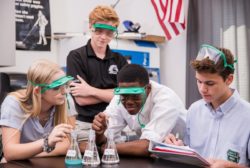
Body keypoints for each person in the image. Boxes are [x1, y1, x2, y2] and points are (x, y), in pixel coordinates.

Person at [164, 44, 250, 167]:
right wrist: (179, 149)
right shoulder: (194, 110)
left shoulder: (247, 117)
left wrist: (232, 167)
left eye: (210, 83)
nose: (202, 89)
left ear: (229, 79)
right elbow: (192, 155)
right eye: (199, 81)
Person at [92, 64, 187, 156]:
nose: (129, 101)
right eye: (124, 95)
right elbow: (106, 139)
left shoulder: (166, 99)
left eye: (135, 95)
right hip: (156, 155)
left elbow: (147, 147)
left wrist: (104, 149)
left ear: (148, 88)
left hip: (182, 153)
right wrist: (99, 133)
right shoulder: (119, 98)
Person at [67, 5, 127, 143]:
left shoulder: (119, 60)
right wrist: (114, 94)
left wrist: (90, 90)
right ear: (90, 26)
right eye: (99, 31)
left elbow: (125, 95)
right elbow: (81, 99)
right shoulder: (76, 57)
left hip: (114, 126)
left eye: (109, 33)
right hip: (85, 127)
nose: (103, 37)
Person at [0, 59, 77, 161]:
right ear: (38, 91)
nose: (64, 91)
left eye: (65, 85)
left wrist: (27, 154)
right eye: (56, 87)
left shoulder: (65, 100)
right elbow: (10, 152)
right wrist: (47, 142)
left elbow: (69, 145)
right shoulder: (14, 103)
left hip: (43, 161)